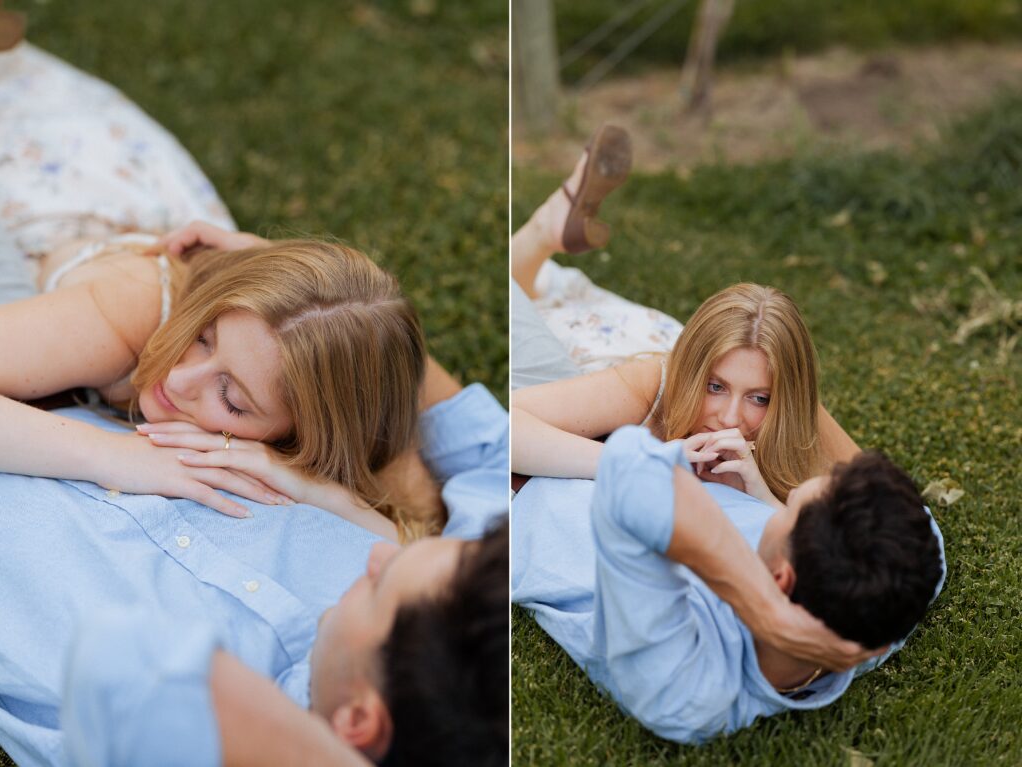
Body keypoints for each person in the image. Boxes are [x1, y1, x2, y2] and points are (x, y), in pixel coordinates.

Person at [0, 41, 456, 540]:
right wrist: (113, 456)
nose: (178, 379)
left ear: (301, 436)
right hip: (50, 180)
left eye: (232, 399)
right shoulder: (130, 308)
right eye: (203, 338)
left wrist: (318, 489)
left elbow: (424, 521)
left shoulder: (333, 377)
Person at [513, 428, 944, 742]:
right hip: (630, 446)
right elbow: (929, 532)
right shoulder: (880, 613)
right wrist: (762, 497)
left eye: (787, 507)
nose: (777, 507)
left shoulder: (687, 692)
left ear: (780, 580)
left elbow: (630, 468)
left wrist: (762, 605)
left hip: (516, 483)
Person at [511, 126, 859, 506]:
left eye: (759, 398)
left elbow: (885, 506)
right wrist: (650, 461)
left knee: (550, 294)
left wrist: (765, 497)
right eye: (715, 387)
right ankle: (543, 229)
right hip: (610, 346)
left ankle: (549, 228)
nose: (730, 419)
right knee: (539, 305)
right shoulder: (653, 384)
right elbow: (509, 428)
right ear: (696, 373)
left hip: (681, 342)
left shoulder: (790, 402)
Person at [62, 519, 509, 767]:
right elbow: (485, 451)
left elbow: (125, 661)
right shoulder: (461, 606)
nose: (377, 551)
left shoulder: (188, 731)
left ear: (357, 719)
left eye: (379, 583)